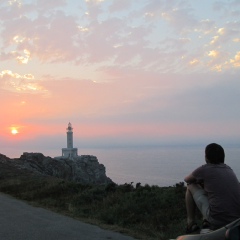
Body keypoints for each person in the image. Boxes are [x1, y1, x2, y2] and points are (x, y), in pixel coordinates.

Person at [184, 143, 240, 234]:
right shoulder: (229, 169)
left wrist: (200, 181)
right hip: (237, 220)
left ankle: (190, 224)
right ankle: (206, 221)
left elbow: (187, 179)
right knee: (211, 188)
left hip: (218, 220)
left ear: (207, 157)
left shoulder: (205, 169)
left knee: (190, 185)